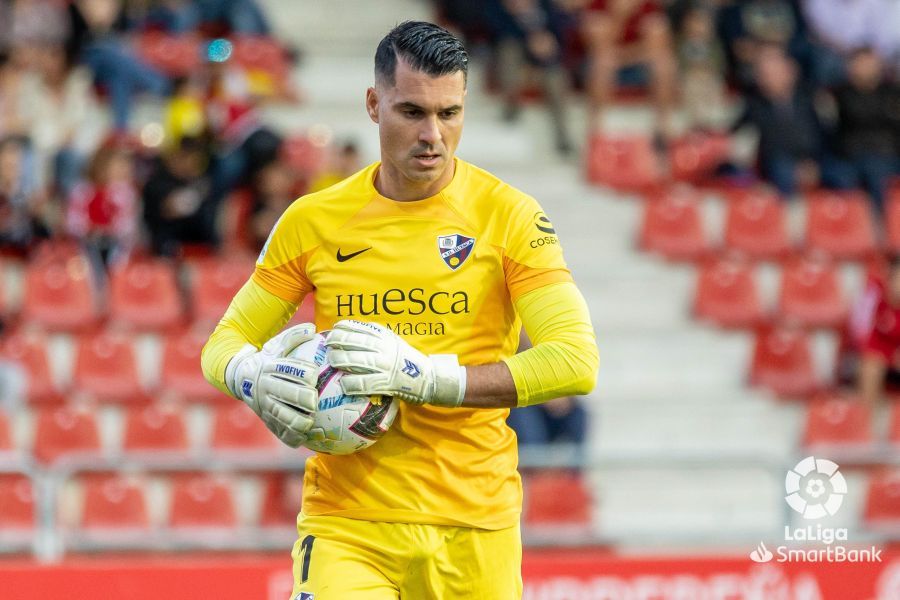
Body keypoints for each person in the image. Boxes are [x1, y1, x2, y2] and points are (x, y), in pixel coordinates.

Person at [201, 21, 598, 599]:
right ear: (373, 104)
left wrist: (425, 378)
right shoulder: (313, 220)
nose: (433, 135)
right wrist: (253, 376)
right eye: (412, 112)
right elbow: (223, 342)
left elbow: (575, 362)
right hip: (348, 524)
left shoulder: (511, 217)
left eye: (450, 113)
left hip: (475, 526)